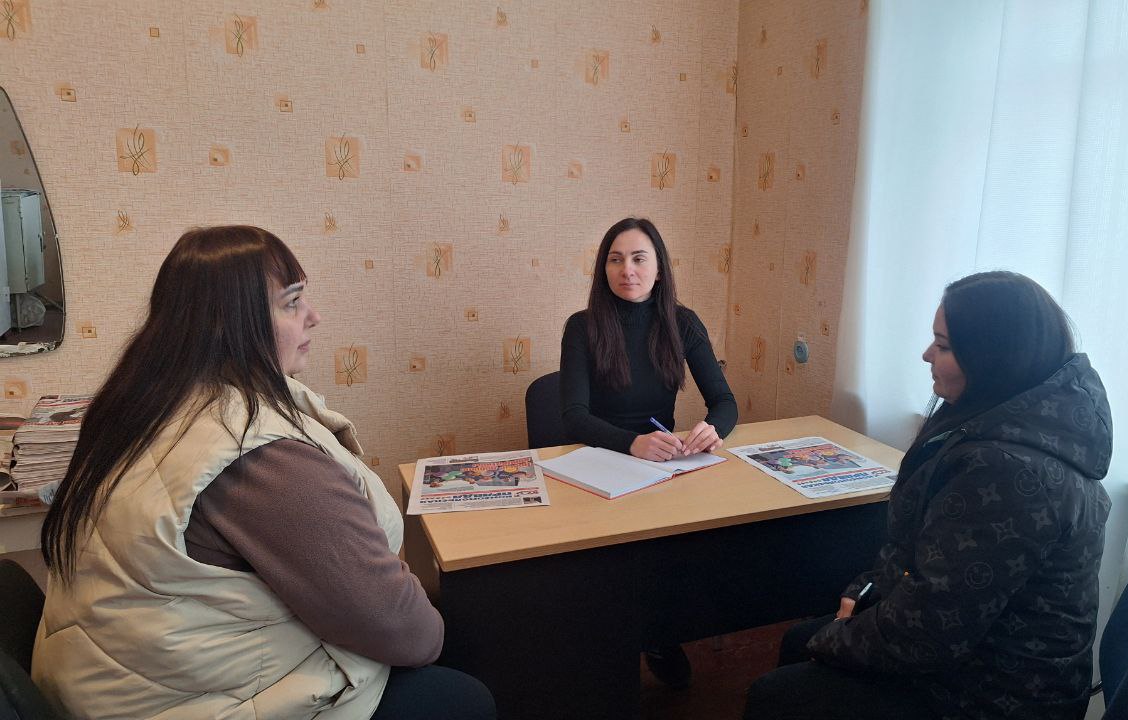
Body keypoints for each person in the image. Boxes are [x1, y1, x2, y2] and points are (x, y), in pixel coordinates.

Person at [35, 226, 495, 720]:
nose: (313, 317)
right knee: (465, 687)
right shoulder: (256, 457)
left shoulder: (146, 405)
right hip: (195, 701)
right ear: (232, 324)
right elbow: (405, 632)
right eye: (292, 303)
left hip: (115, 684)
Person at [743, 271, 1112, 720]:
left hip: (997, 694)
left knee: (777, 692)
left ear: (994, 357)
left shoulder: (1008, 471)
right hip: (975, 653)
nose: (926, 355)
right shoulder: (1009, 421)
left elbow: (930, 634)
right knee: (799, 642)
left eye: (944, 346)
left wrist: (837, 635)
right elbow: (921, 553)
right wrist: (865, 591)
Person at [559, 216, 738, 688]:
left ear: (659, 268)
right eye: (615, 260)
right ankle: (609, 644)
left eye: (639, 259)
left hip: (662, 465)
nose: (628, 270)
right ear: (603, 269)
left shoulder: (683, 322)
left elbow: (725, 402)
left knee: (679, 553)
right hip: (600, 461)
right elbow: (574, 417)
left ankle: (660, 634)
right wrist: (631, 442)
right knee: (607, 567)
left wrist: (711, 430)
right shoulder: (582, 326)